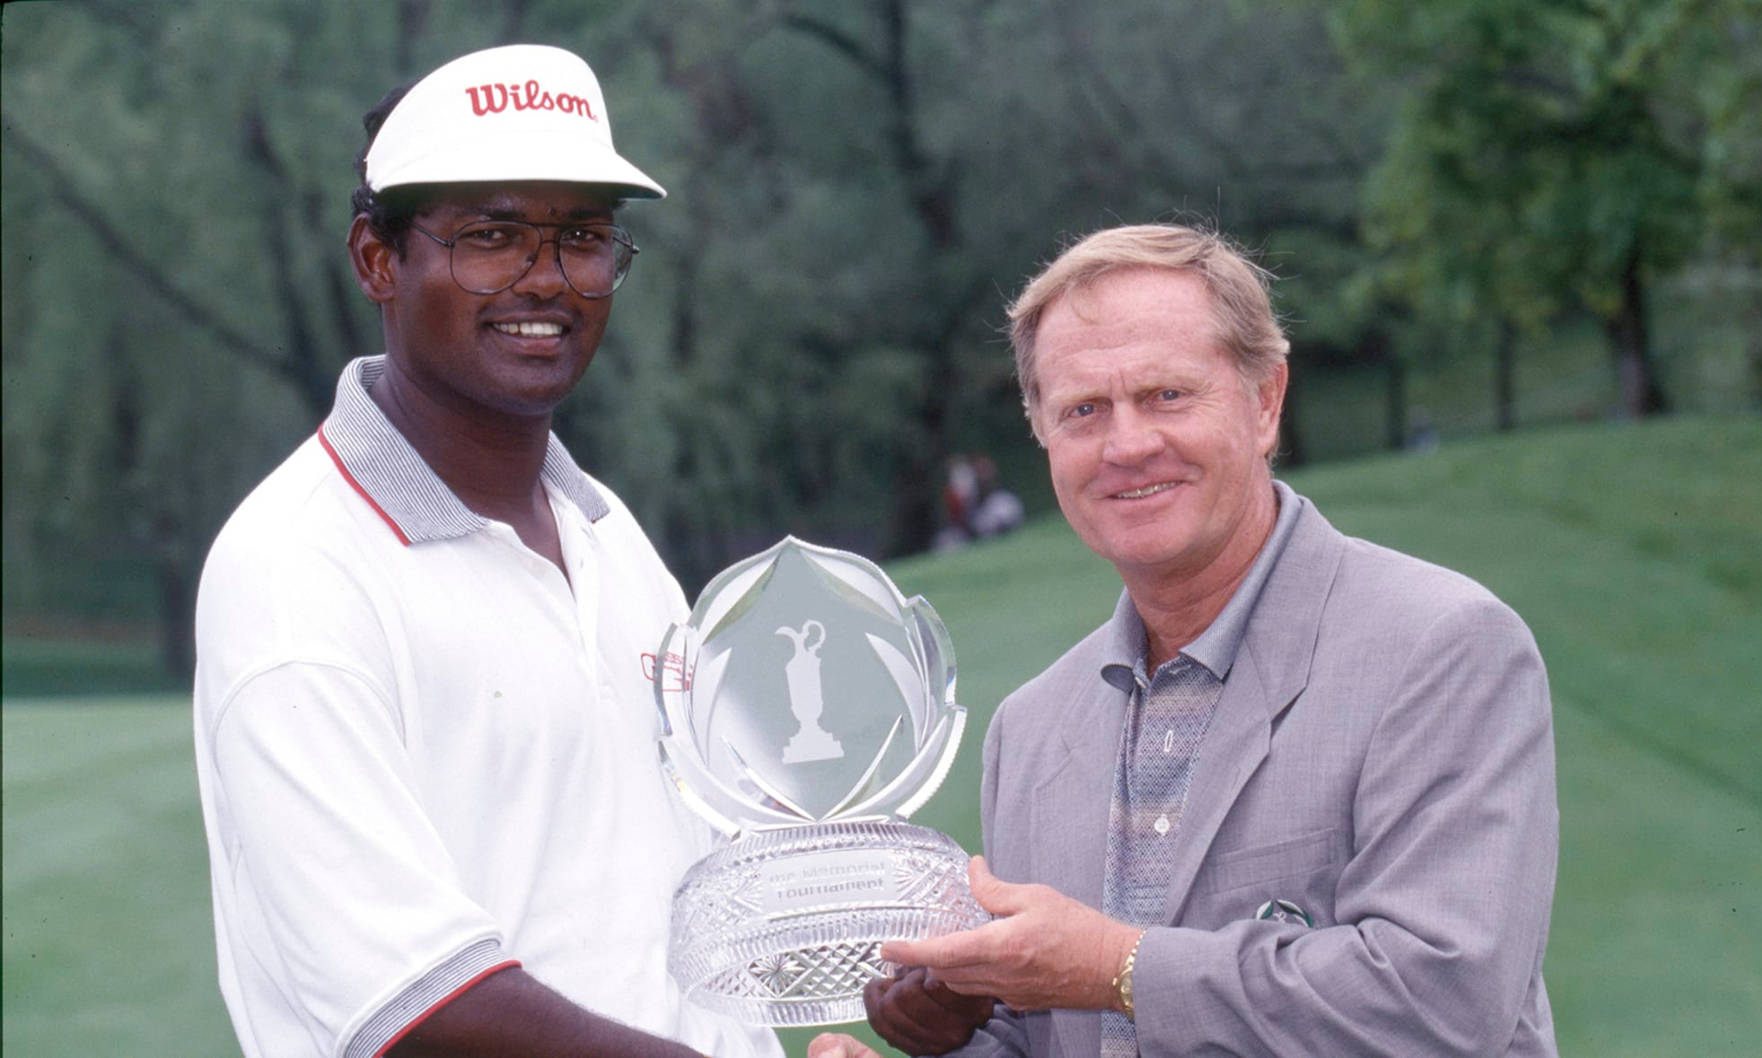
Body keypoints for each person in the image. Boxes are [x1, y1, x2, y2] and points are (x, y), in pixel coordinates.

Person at [816, 223, 1559, 1056]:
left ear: (1266, 400)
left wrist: (1116, 966)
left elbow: (1443, 1007)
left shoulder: (1442, 649)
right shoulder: (1027, 733)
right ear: (1044, 437)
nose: (1128, 445)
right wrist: (955, 1042)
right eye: (1084, 411)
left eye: (1167, 395)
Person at [191, 45, 781, 1057]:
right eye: (491, 235)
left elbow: (724, 867)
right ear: (378, 258)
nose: (546, 279)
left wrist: (907, 963)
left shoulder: (607, 533)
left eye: (584, 236)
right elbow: (415, 1004)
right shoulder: (298, 569)